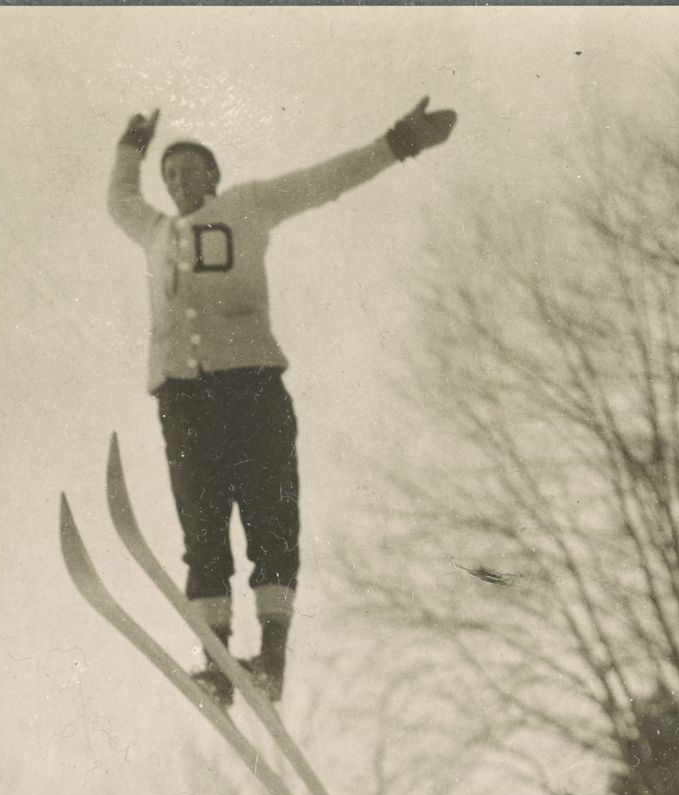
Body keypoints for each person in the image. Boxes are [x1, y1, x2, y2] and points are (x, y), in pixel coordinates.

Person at [107, 98, 458, 707]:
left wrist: (398, 142)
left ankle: (271, 657)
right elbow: (120, 201)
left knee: (269, 520)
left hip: (251, 388)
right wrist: (130, 148)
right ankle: (217, 665)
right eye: (170, 175)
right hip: (183, 397)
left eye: (189, 170)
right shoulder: (155, 232)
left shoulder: (248, 205)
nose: (179, 182)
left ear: (213, 175)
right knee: (203, 530)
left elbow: (326, 179)